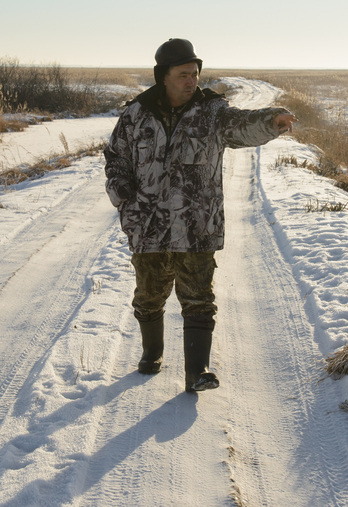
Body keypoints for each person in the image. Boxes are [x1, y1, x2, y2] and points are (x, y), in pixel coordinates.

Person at [104, 38, 296, 392]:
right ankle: (152, 352)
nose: (191, 81)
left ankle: (197, 372)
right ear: (164, 76)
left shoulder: (212, 112)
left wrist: (272, 121)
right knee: (150, 295)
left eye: (194, 74)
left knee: (199, 297)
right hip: (148, 225)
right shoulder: (135, 115)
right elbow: (116, 158)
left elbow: (243, 125)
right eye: (183, 75)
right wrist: (125, 200)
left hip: (196, 225)